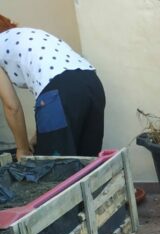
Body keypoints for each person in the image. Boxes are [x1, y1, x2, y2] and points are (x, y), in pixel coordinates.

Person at [0, 16, 106, 158]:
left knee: (54, 171)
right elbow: (62, 87)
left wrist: (22, 148)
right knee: (88, 165)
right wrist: (39, 136)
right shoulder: (24, 35)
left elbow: (12, 106)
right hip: (92, 84)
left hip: (59, 93)